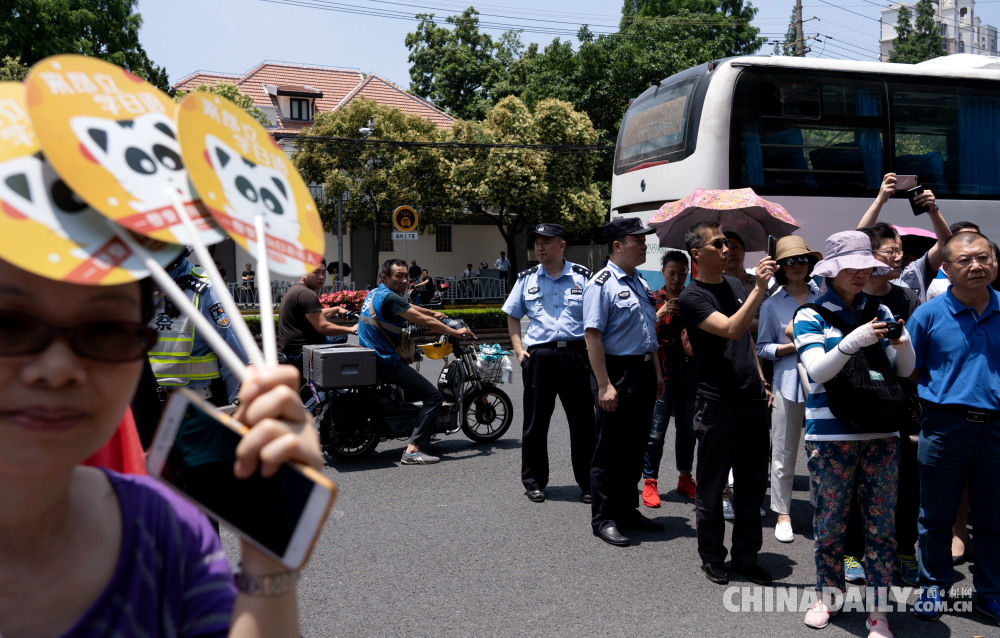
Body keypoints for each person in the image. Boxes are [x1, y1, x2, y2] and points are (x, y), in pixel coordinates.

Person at [0, 256, 322, 636]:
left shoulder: (169, 528)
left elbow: (235, 359)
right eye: (11, 326)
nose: (58, 369)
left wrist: (269, 567)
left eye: (106, 330)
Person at [792, 230, 915, 637]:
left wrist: (904, 342)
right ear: (832, 271)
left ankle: (878, 610)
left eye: (868, 266)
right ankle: (828, 596)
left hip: (882, 433)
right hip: (831, 438)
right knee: (829, 523)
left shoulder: (879, 310)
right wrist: (853, 341)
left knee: (882, 527)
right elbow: (816, 371)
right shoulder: (809, 314)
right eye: (853, 266)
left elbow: (902, 370)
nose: (862, 273)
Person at [907, 231, 1000, 625]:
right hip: (944, 426)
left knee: (994, 517)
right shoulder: (927, 314)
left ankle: (990, 593)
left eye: (984, 258)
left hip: (996, 429)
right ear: (945, 268)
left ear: (995, 261)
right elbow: (908, 368)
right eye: (965, 260)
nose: (976, 266)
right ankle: (933, 586)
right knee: (935, 515)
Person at [679, 221, 775, 587]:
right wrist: (760, 290)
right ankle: (712, 557)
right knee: (712, 486)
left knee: (752, 486)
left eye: (727, 243)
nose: (726, 248)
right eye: (717, 243)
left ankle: (747, 556)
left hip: (752, 399)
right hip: (717, 404)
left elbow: (745, 341)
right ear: (697, 254)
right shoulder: (693, 296)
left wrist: (762, 380)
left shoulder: (735, 285)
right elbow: (732, 328)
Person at [583, 217, 664, 547]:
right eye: (637, 240)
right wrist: (604, 384)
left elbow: (649, 334)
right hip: (615, 372)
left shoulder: (640, 282)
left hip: (643, 371)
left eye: (645, 240)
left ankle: (627, 510)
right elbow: (592, 336)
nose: (644, 244)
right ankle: (604, 517)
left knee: (635, 446)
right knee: (609, 449)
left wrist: (657, 373)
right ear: (617, 245)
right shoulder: (602, 283)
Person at [503, 223, 595, 504]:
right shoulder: (526, 279)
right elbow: (513, 314)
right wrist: (519, 350)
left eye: (546, 242)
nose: (539, 247)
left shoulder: (583, 277)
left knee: (583, 423)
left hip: (576, 355)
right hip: (539, 357)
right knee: (534, 423)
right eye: (537, 242)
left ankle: (589, 482)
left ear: (562, 245)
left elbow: (596, 318)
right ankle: (534, 481)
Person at [358, 259, 475, 465]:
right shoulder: (390, 298)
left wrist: (432, 312)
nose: (404, 280)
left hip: (371, 357)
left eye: (406, 276)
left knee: (411, 391)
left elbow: (407, 306)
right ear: (385, 277)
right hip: (386, 361)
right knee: (433, 398)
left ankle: (417, 428)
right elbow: (424, 322)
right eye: (398, 276)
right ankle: (412, 451)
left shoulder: (376, 293)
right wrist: (455, 331)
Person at [756, 235, 822, 544]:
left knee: (822, 450)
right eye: (791, 261)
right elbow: (763, 347)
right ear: (781, 267)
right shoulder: (771, 304)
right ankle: (783, 512)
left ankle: (822, 509)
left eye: (802, 260)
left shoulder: (824, 296)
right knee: (783, 449)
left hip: (824, 381)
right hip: (787, 381)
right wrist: (791, 346)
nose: (798, 266)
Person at [149, 251, 250, 407]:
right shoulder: (133, 288)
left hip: (195, 405)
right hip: (144, 406)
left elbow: (234, 355)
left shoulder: (207, 289)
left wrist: (237, 407)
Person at [640, 250, 697, 508]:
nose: (677, 278)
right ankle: (650, 482)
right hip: (662, 372)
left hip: (689, 373)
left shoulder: (693, 299)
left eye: (682, 273)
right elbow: (642, 336)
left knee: (688, 430)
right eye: (672, 273)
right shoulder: (653, 299)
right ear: (663, 272)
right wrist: (661, 313)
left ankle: (685, 478)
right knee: (655, 432)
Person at [857, 172, 950, 302]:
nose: (899, 257)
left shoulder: (913, 273)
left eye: (899, 251)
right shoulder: (858, 282)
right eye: (890, 251)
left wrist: (933, 210)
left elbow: (946, 244)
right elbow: (858, 240)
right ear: (870, 254)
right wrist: (880, 199)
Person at [277, 261, 357, 379]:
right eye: (315, 272)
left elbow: (314, 314)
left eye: (323, 272)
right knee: (347, 341)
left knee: (341, 338)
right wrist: (351, 329)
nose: (321, 277)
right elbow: (322, 326)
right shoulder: (307, 294)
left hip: (292, 351)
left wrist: (336, 309)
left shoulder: (297, 290)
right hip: (302, 353)